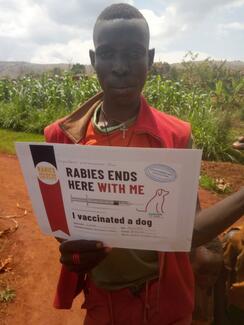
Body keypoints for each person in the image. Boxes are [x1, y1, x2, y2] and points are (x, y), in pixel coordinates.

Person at [44, 3, 244, 324]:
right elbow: (64, 226)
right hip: (101, 300)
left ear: (150, 59)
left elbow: (188, 230)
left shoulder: (176, 136)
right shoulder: (62, 137)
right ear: (94, 60)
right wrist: (72, 251)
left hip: (164, 299)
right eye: (107, 53)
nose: (120, 67)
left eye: (134, 54)